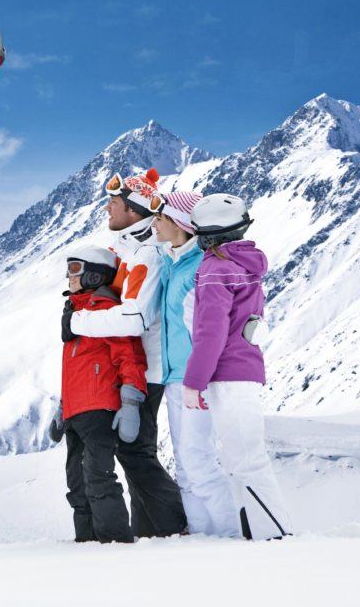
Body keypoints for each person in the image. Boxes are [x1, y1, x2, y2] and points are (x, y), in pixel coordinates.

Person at [70, 168, 187, 538]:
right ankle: (153, 532)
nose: (107, 207)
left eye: (115, 202)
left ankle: (177, 526)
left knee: (135, 453)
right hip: (130, 369)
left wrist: (79, 323)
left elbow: (135, 316)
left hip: (147, 370)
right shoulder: (126, 250)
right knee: (133, 452)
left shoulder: (146, 257)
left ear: (134, 211)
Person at [183, 193, 291, 540]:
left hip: (228, 373)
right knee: (240, 458)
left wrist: (193, 382)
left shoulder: (215, 269)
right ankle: (260, 535)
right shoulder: (245, 264)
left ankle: (275, 536)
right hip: (241, 369)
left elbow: (210, 333)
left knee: (246, 459)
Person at [151, 190, 239, 537]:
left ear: (180, 223)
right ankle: (202, 537)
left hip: (196, 380)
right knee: (187, 467)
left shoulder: (197, 269)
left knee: (199, 461)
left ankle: (231, 536)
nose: (154, 223)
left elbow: (205, 331)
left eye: (160, 217)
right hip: (176, 378)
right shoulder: (173, 263)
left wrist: (196, 379)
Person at [56, 247, 148, 543]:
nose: (68, 275)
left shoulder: (107, 313)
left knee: (98, 479)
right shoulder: (77, 315)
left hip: (100, 410)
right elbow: (75, 370)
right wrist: (63, 407)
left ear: (94, 274)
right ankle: (86, 544)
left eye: (74, 268)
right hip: (76, 411)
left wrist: (131, 400)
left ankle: (115, 545)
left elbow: (129, 357)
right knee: (77, 484)